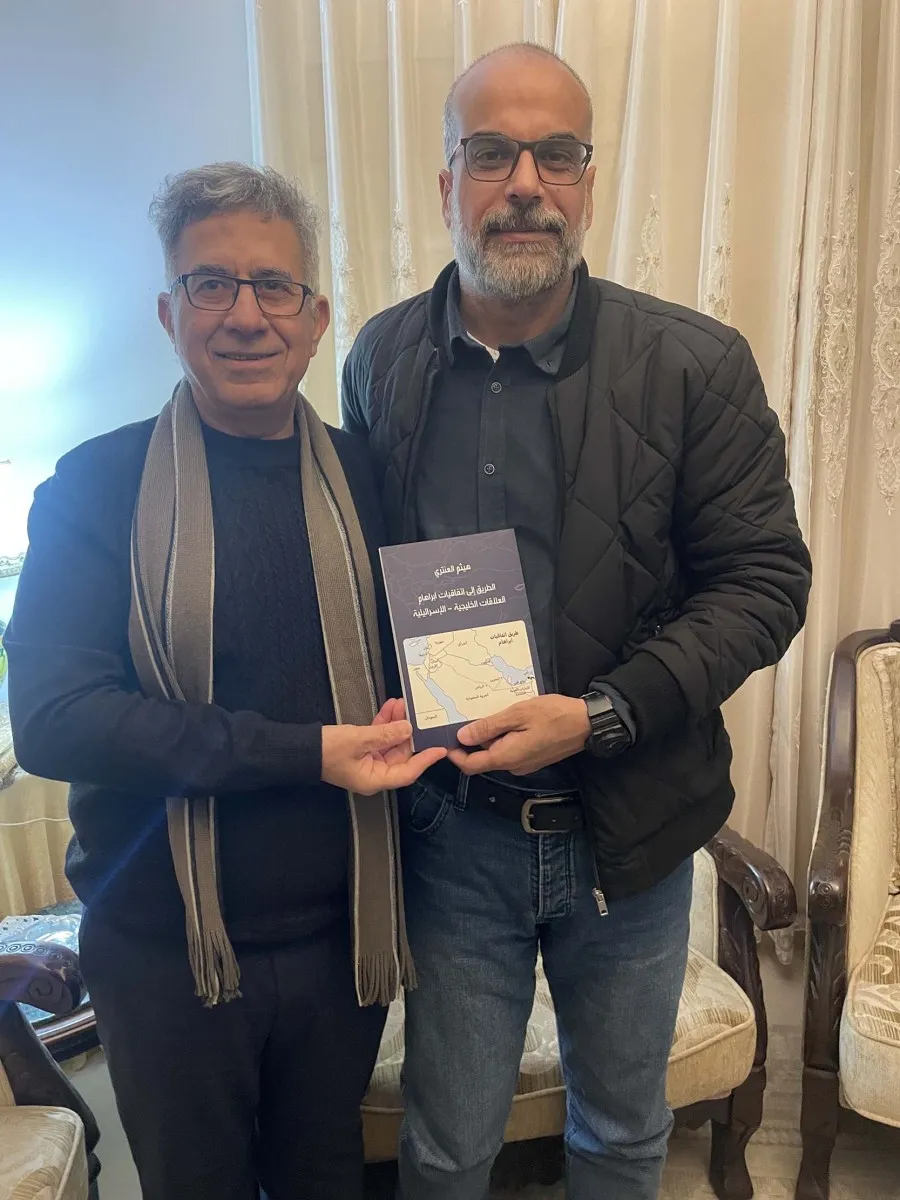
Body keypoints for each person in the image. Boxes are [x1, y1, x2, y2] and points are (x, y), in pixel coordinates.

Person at [342, 43, 812, 1200]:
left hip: (634, 828)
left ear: (589, 182)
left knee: (620, 1136)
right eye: (490, 153)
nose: (524, 184)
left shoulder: (697, 365)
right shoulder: (381, 359)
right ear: (445, 182)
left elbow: (765, 582)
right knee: (447, 1148)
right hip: (454, 832)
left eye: (556, 154)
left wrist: (598, 714)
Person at [6, 162, 444, 1200]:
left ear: (316, 318)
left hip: (344, 944)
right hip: (167, 955)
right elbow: (58, 719)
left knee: (326, 1180)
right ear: (170, 312)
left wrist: (444, 709)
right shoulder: (94, 487)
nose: (246, 315)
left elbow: (425, 655)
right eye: (212, 284)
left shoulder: (371, 478)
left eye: (274, 286)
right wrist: (308, 752)